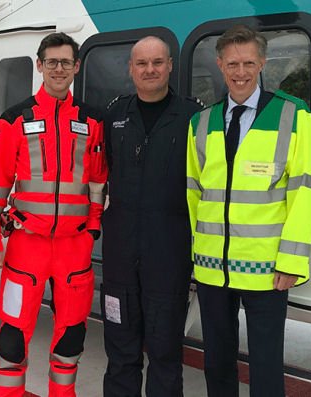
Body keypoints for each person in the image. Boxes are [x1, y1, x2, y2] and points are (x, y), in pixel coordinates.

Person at [185, 24, 311, 396]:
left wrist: (292, 261)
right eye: (232, 64)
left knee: (265, 363)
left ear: (262, 63)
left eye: (247, 63)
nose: (240, 72)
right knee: (216, 361)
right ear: (220, 65)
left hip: (266, 269)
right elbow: (194, 194)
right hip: (212, 268)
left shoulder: (293, 116)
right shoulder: (202, 122)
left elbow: (305, 191)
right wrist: (197, 256)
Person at [0, 32, 107, 397]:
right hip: (26, 247)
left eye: (65, 62)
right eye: (51, 61)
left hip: (74, 249)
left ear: (76, 67)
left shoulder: (92, 121)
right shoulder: (14, 119)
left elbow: (98, 181)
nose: (58, 68)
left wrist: (93, 229)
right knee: (12, 342)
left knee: (70, 340)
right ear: (39, 66)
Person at [100, 36, 202, 397]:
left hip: (168, 256)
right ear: (131, 69)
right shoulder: (114, 114)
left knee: (165, 353)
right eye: (141, 63)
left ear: (170, 66)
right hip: (120, 259)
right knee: (121, 351)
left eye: (157, 62)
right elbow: (105, 173)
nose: (150, 70)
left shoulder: (193, 117)